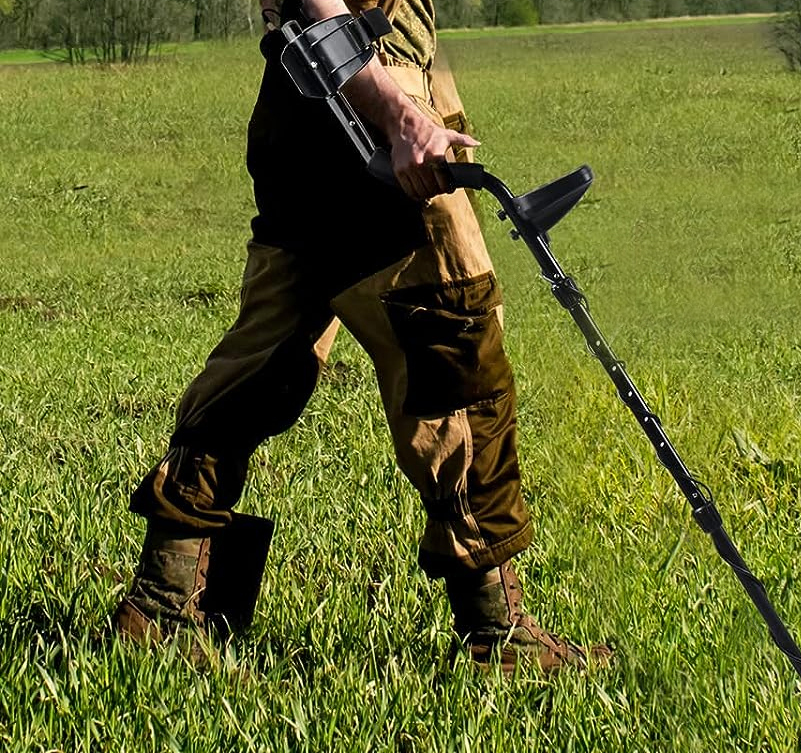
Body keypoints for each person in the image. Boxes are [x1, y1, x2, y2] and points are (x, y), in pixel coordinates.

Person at [111, 0, 613, 673]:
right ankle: (499, 632)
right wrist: (398, 110)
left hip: (314, 98)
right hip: (363, 103)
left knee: (268, 357)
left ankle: (163, 601)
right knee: (456, 350)